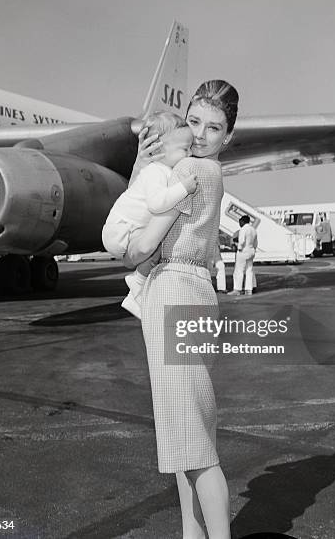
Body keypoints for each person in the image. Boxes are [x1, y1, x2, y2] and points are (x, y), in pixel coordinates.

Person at [125, 80, 239, 539]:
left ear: (227, 137)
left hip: (176, 288)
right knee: (186, 432)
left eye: (214, 128)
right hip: (184, 289)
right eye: (193, 122)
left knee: (190, 437)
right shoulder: (195, 168)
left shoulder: (198, 170)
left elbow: (140, 233)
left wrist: (140, 164)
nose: (199, 134)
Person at [101, 111, 197, 318]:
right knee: (157, 249)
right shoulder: (155, 172)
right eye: (185, 149)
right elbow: (156, 204)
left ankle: (137, 288)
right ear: (160, 149)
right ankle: (137, 283)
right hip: (122, 231)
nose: (190, 154)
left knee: (158, 251)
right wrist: (184, 188)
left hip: (128, 229)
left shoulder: (161, 171)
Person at [228, 215, 257, 296]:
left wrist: (239, 248)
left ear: (243, 221)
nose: (239, 223)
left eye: (240, 222)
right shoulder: (253, 230)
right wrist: (253, 248)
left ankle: (237, 290)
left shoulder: (243, 229)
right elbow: (255, 242)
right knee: (249, 270)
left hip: (243, 251)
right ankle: (248, 290)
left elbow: (241, 241)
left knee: (239, 271)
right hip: (251, 251)